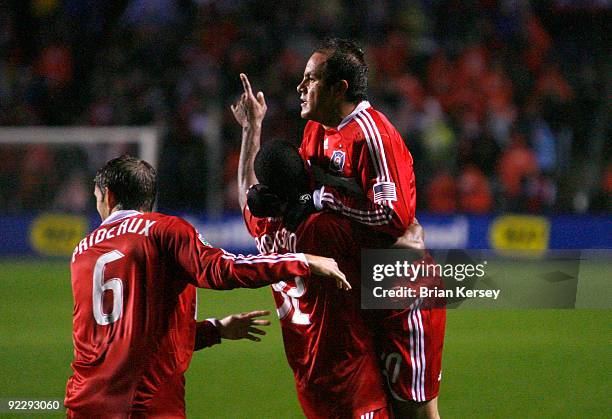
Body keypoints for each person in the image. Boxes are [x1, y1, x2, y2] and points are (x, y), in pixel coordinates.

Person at [237, 36, 445, 419]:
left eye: (310, 79)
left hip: (400, 293)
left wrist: (324, 200)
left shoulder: (373, 136)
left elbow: (393, 216)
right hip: (361, 290)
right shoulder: (315, 131)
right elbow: (311, 193)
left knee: (414, 412)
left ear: (338, 88)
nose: (300, 88)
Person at [64, 155, 350, 418]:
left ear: (109, 196)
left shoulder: (82, 252)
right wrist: (300, 261)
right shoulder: (163, 230)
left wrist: (215, 330)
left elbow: (118, 338)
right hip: (144, 405)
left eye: (97, 197)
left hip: (84, 402)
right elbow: (221, 270)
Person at [232, 81, 391, 418]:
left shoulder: (263, 229)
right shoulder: (324, 228)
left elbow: (245, 187)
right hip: (352, 378)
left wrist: (252, 128)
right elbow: (384, 222)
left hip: (308, 379)